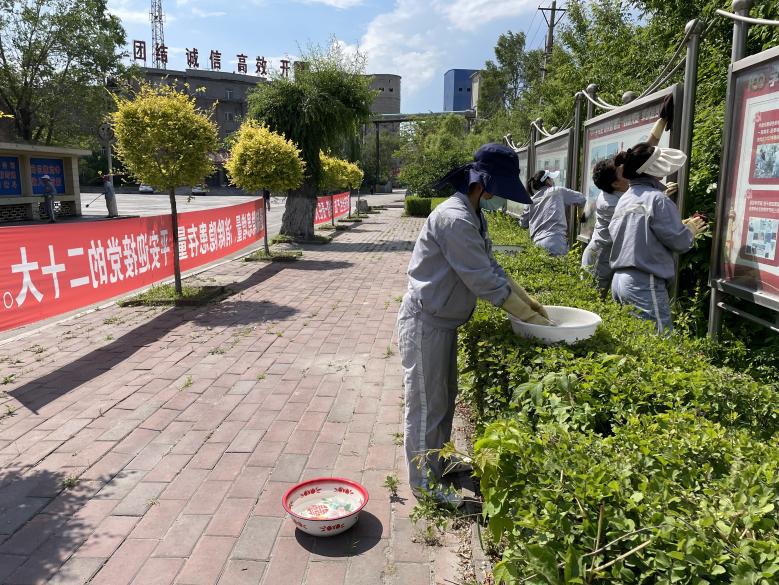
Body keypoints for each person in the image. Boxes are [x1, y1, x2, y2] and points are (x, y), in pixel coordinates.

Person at [397, 143, 551, 504]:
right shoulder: (455, 219)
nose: (500, 196)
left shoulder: (473, 213)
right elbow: (483, 281)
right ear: (483, 184)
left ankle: (440, 460)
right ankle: (424, 483)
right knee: (426, 405)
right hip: (426, 323)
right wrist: (531, 320)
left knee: (445, 397)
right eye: (499, 188)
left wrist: (530, 301)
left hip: (443, 322)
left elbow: (492, 267)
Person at [608, 143, 707, 333]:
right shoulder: (658, 199)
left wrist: (679, 225)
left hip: (619, 281)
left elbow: (638, 233)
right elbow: (679, 242)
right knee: (660, 340)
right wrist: (690, 231)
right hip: (643, 284)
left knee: (632, 340)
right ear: (654, 169)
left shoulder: (625, 199)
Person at [582, 96, 676, 293]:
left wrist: (662, 120)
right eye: (622, 171)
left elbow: (641, 155)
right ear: (615, 183)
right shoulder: (611, 203)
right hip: (599, 258)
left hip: (614, 257)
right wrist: (661, 194)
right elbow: (642, 218)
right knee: (593, 299)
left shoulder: (617, 188)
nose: (629, 170)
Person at [519, 170, 585, 256]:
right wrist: (580, 215)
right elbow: (582, 198)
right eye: (551, 178)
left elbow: (523, 224)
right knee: (558, 264)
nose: (553, 181)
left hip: (537, 243)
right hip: (556, 241)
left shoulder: (530, 201)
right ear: (547, 181)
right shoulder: (557, 191)